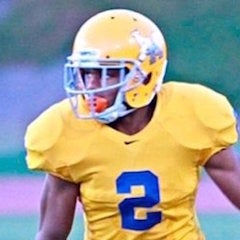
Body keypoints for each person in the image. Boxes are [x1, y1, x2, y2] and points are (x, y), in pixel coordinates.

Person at [24, 9, 240, 240]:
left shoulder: (192, 113)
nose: (93, 86)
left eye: (109, 74)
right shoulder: (63, 130)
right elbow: (51, 233)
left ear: (145, 75)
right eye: (87, 73)